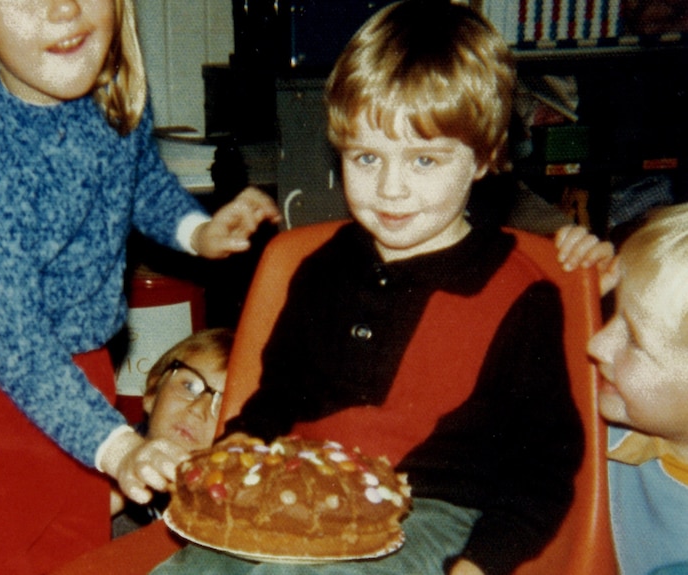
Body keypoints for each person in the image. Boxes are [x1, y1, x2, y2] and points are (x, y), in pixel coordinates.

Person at [151, 2, 583, 575]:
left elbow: (544, 469)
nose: (390, 188)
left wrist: (481, 564)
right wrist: (242, 439)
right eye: (366, 157)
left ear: (484, 157)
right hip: (303, 484)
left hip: (433, 512)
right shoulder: (319, 268)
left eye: (424, 159)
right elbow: (278, 393)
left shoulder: (520, 296)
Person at [0, 0, 280, 572]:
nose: (64, 8)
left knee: (76, 551)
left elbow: (141, 181)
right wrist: (119, 446)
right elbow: (18, 347)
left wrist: (198, 231)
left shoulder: (112, 99)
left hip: (78, 363)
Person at [561, 206, 688, 575]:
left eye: (633, 338)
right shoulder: (625, 422)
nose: (597, 344)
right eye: (611, 313)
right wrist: (576, 301)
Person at [111, 327, 233, 537]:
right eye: (189, 386)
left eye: (221, 407)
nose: (197, 410)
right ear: (151, 393)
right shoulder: (102, 463)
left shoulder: (224, 510)